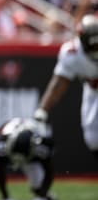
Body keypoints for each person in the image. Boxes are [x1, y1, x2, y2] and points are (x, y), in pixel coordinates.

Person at [33, 14, 98, 160]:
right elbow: (59, 83)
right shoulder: (72, 53)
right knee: (93, 138)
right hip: (93, 91)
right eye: (93, 46)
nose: (96, 50)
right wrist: (42, 110)